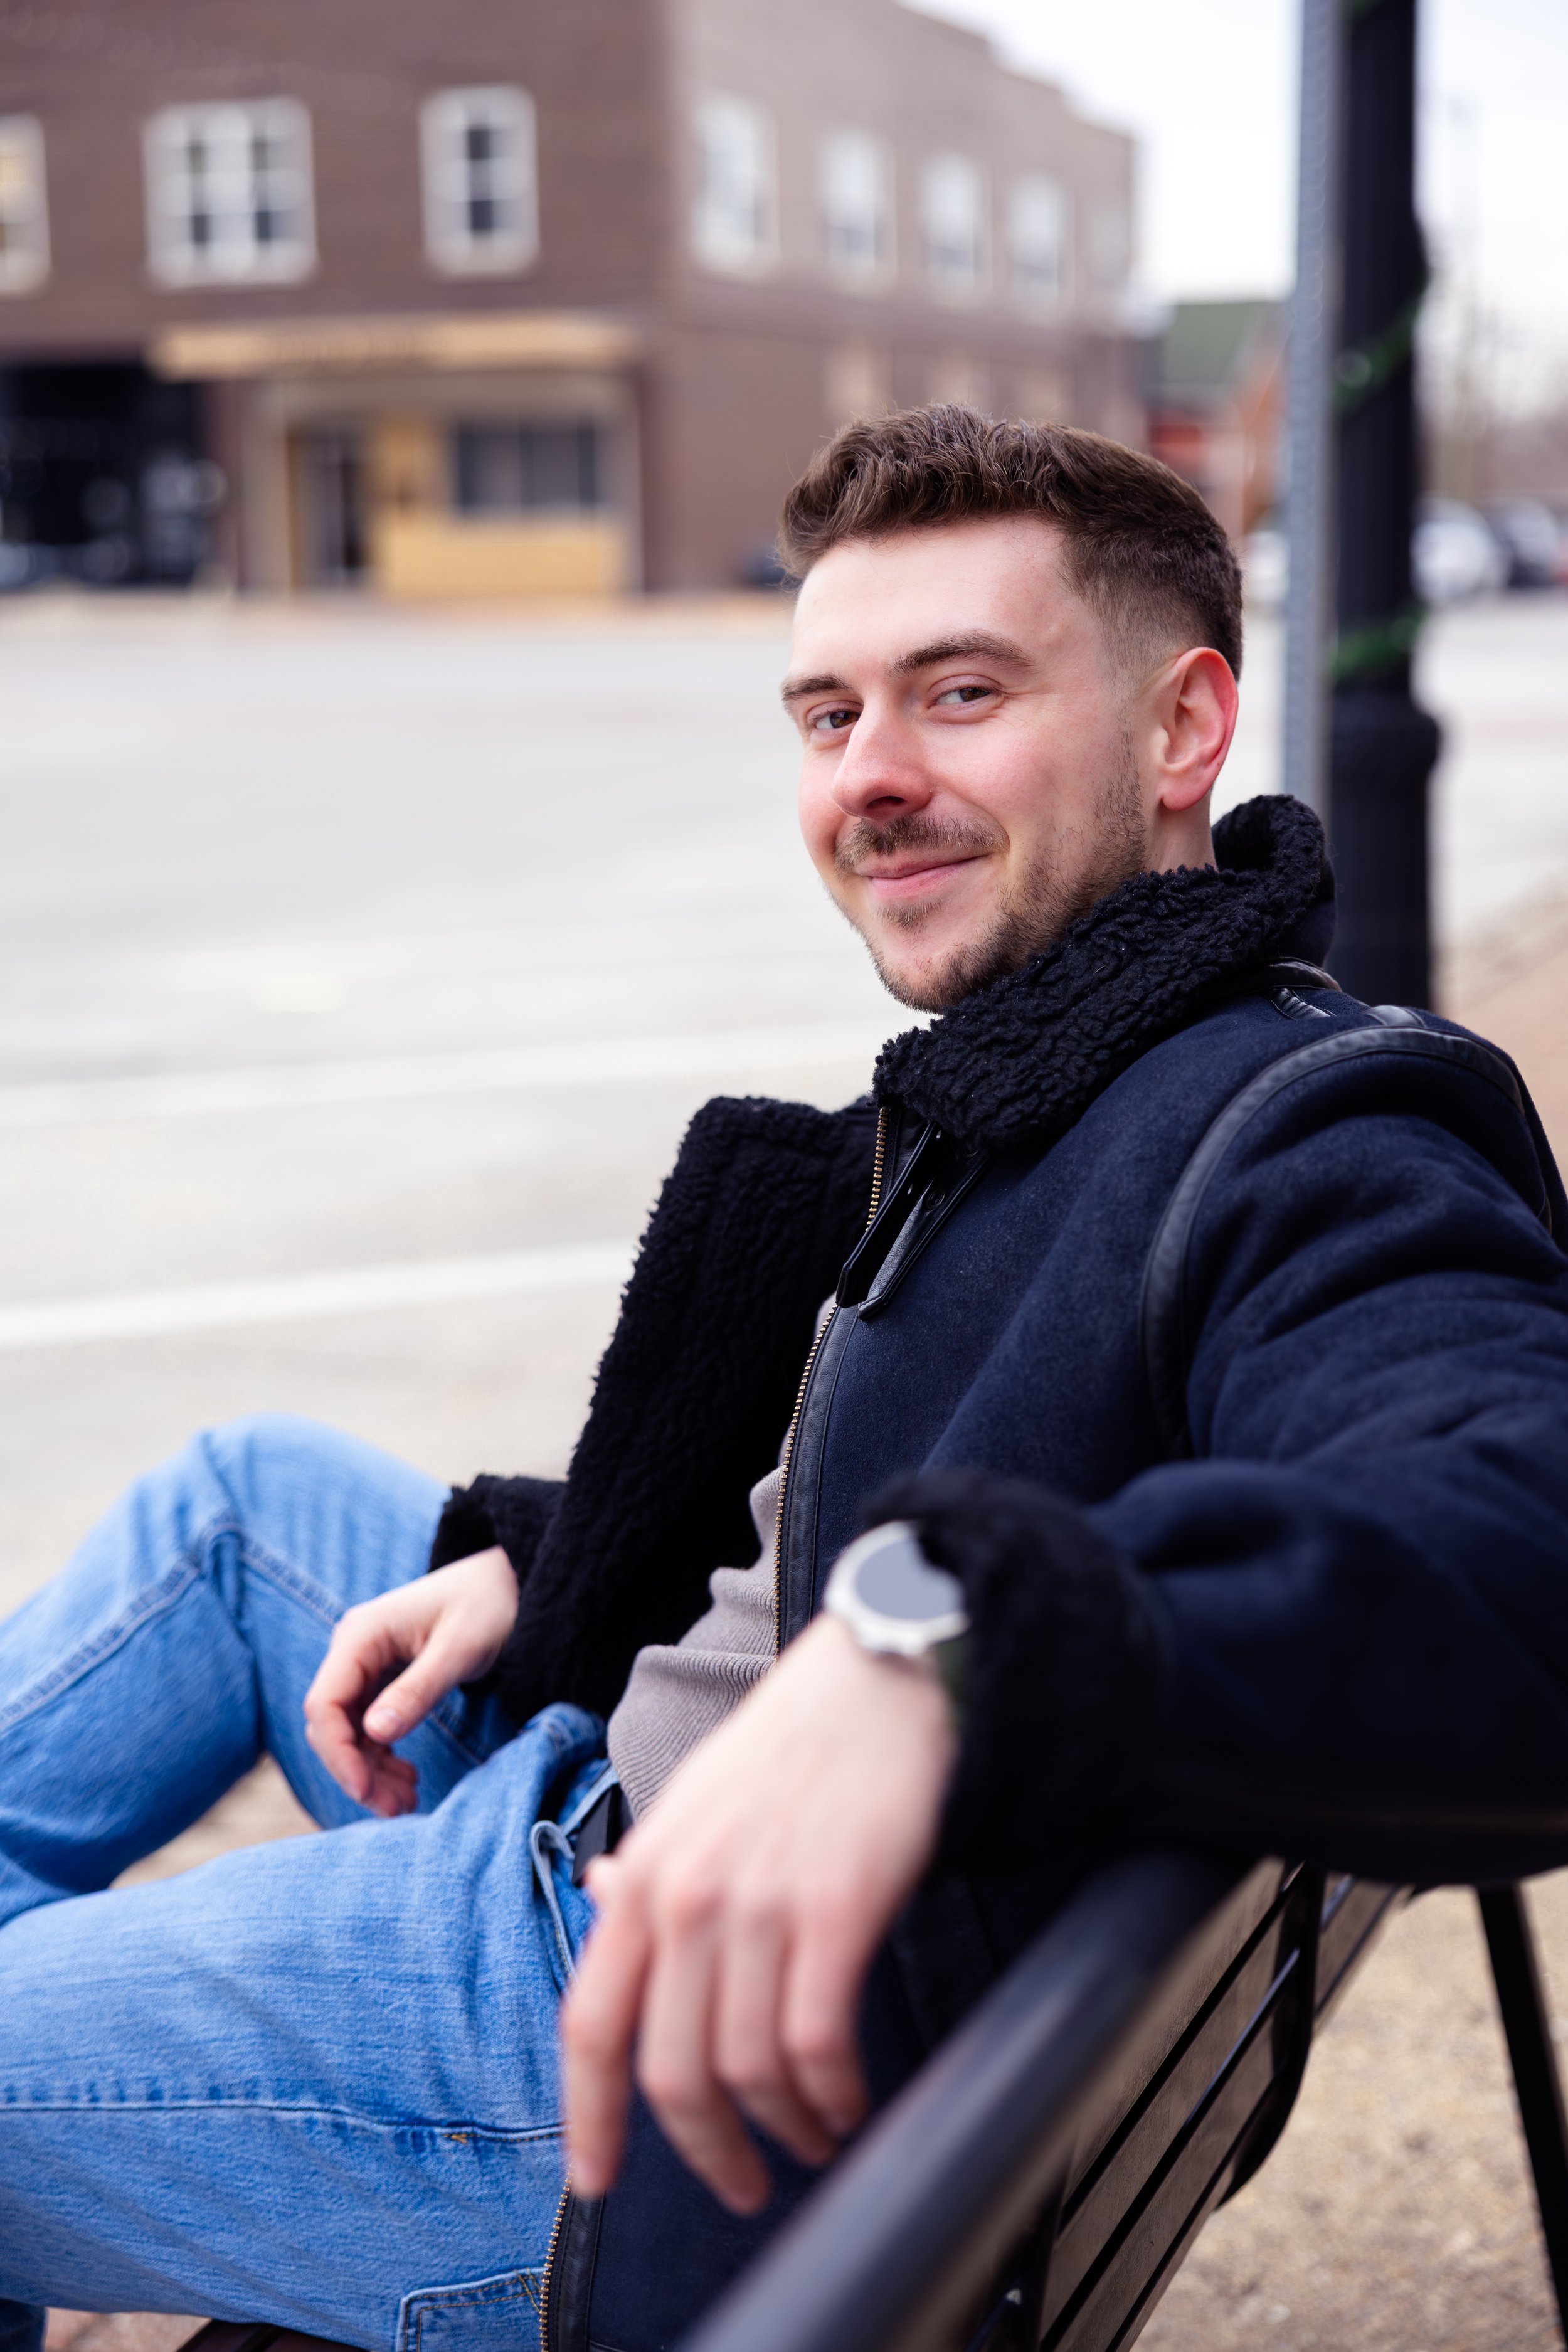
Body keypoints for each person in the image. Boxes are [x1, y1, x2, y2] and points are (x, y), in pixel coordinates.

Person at [2, 406, 1566, 2352]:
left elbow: (1523, 1534)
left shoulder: (1303, 1140)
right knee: (237, 1504)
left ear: (1182, 731)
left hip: (616, 2006)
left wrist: (942, 1646)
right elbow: (947, 1457)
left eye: (959, 694)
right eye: (826, 717)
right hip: (655, 1795)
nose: (872, 781)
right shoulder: (1070, 1057)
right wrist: (552, 1556)